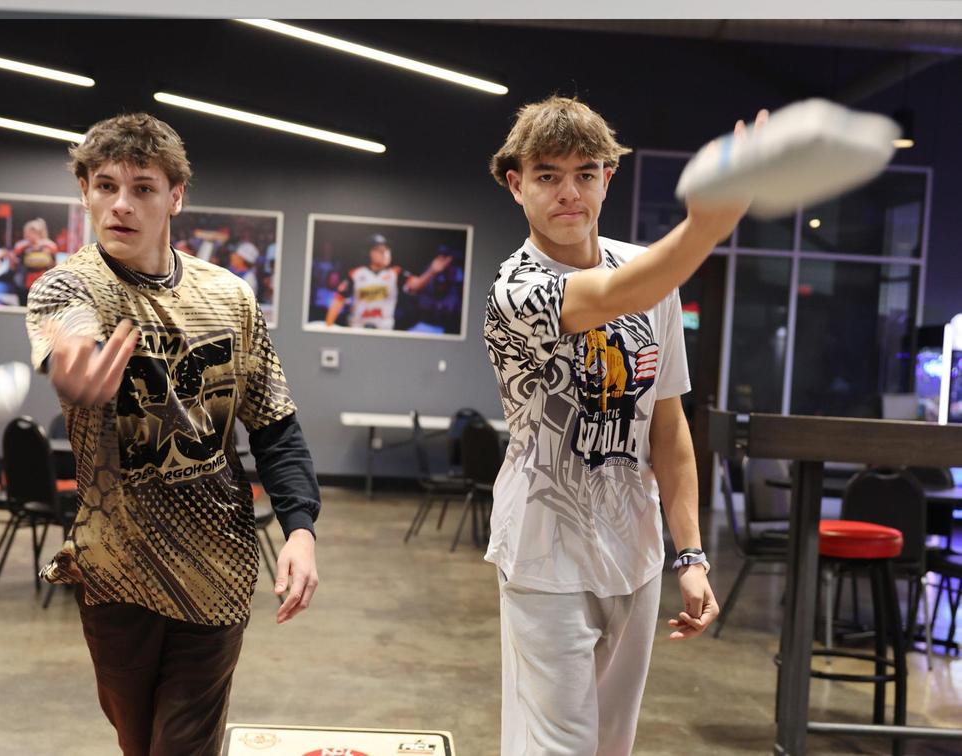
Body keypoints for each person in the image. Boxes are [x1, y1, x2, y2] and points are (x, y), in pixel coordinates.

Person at [25, 112, 320, 756]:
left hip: (217, 561)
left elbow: (275, 426)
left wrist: (300, 528)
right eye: (106, 186)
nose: (121, 205)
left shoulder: (230, 297)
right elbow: (69, 330)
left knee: (183, 746)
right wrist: (73, 363)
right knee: (138, 742)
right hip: (115, 566)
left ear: (175, 197)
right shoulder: (67, 284)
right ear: (84, 191)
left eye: (143, 188)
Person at [483, 95, 766, 755]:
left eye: (585, 173)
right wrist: (705, 226)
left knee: (613, 744)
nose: (569, 192)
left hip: (634, 550)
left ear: (607, 179)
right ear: (516, 184)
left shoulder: (650, 277)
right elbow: (612, 296)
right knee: (559, 745)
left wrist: (690, 554)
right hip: (544, 552)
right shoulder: (515, 289)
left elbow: (669, 428)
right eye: (548, 176)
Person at [324, 233, 452, 330]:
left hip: (384, 331)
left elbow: (416, 286)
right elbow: (338, 300)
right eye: (380, 250)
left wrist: (432, 271)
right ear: (369, 253)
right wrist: (327, 328)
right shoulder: (355, 274)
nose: (385, 253)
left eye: (387, 250)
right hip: (357, 329)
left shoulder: (396, 273)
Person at [11, 217, 59, 305]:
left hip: (43, 284)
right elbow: (13, 265)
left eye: (31, 232)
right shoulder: (21, 246)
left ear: (38, 232)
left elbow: (55, 265)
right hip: (25, 283)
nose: (28, 235)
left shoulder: (49, 246)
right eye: (27, 232)